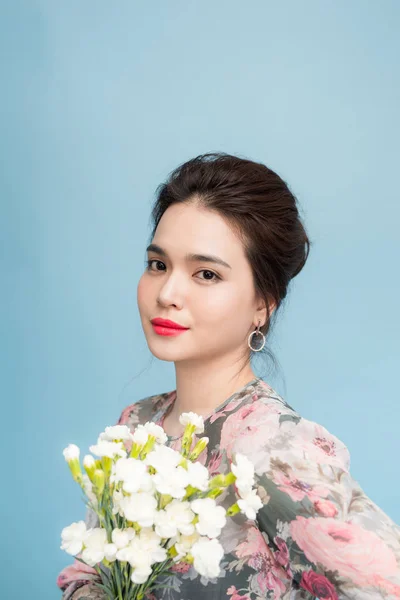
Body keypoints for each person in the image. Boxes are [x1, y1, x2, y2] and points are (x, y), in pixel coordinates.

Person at [57, 152, 400, 599]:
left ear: (264, 302)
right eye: (158, 265)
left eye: (206, 274)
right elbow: (90, 575)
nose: (167, 293)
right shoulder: (137, 426)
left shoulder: (273, 448)